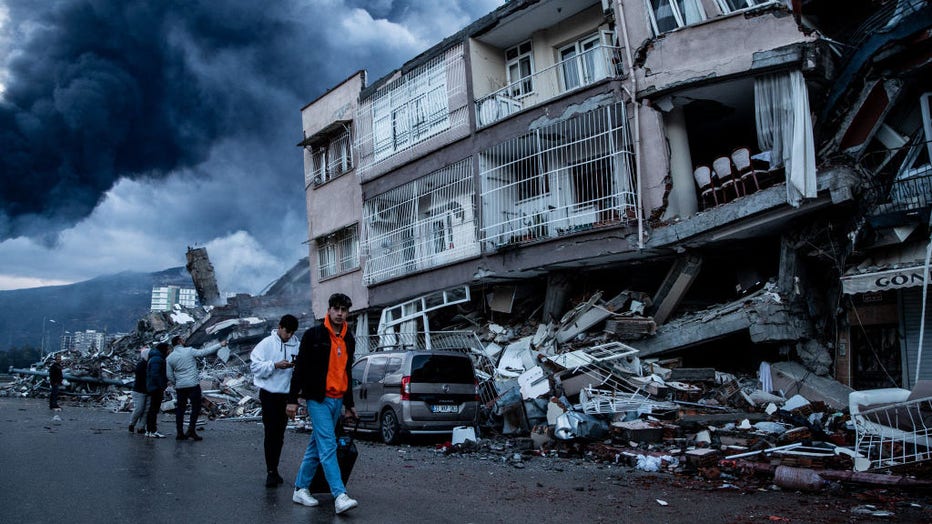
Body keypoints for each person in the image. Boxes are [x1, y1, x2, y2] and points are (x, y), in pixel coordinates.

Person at [287, 293, 358, 514]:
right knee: (328, 445)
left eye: (343, 310)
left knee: (316, 446)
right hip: (318, 399)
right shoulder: (313, 335)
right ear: (328, 310)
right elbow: (300, 369)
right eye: (336, 309)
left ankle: (300, 488)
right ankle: (340, 495)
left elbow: (347, 372)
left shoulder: (349, 338)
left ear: (347, 313)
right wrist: (292, 400)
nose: (339, 313)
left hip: (337, 400)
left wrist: (349, 404)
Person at [250, 314, 300, 487]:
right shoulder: (266, 344)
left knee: (280, 434)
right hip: (269, 394)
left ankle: (275, 468)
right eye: (287, 331)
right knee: (271, 433)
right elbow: (255, 366)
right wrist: (275, 365)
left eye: (292, 332)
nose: (289, 335)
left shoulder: (297, 345)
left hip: (286, 396)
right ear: (280, 327)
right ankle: (271, 471)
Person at [166, 335, 226, 441]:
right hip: (193, 385)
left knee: (180, 409)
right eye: (183, 339)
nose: (184, 341)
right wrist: (219, 345)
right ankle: (191, 430)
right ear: (179, 341)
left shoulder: (170, 357)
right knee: (196, 407)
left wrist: (177, 382)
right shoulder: (189, 351)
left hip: (180, 387)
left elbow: (169, 375)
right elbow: (204, 352)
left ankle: (180, 433)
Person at [146, 342, 171, 438]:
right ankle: (152, 430)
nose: (169, 351)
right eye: (168, 349)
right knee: (154, 409)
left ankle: (149, 430)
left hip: (153, 387)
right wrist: (161, 385)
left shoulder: (155, 357)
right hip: (156, 388)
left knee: (152, 409)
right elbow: (155, 374)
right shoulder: (157, 359)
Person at [128, 346, 151, 434]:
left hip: (146, 390)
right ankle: (132, 424)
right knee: (139, 409)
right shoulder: (141, 365)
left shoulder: (146, 364)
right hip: (139, 390)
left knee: (145, 410)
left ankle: (141, 427)